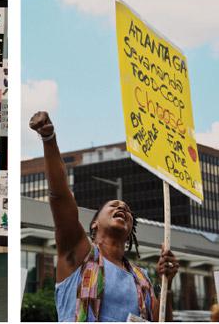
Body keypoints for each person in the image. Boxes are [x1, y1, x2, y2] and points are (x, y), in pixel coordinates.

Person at [29, 111, 179, 322]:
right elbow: (60, 196)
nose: (122, 208)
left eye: (127, 210)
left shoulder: (141, 277)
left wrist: (167, 285)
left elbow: (161, 320)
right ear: (94, 225)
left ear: (130, 232)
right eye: (113, 206)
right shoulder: (78, 253)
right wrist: (49, 139)